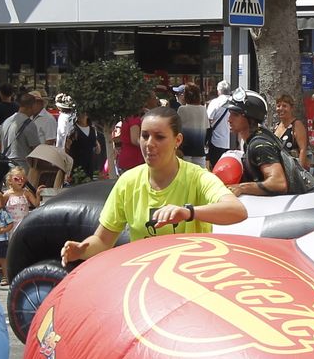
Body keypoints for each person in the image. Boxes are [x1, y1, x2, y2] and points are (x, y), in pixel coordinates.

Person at [62, 106, 246, 264]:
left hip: (193, 282)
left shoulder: (197, 177)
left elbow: (237, 211)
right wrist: (80, 250)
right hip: (146, 285)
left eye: (159, 137)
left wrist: (188, 212)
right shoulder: (128, 181)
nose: (149, 144)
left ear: (178, 140)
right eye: (144, 136)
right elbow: (102, 241)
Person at [227, 89, 293, 196]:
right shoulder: (252, 140)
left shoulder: (259, 145)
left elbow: (278, 183)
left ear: (250, 118)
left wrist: (242, 187)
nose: (229, 120)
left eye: (235, 114)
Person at [0, 92, 44, 170]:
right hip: (21, 168)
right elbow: (36, 150)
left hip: (5, 166)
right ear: (32, 106)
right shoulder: (29, 124)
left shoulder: (7, 121)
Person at [273, 94, 312, 168]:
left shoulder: (296, 124)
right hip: (279, 169)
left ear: (291, 108)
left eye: (284, 106)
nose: (281, 108)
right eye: (278, 106)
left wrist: (299, 172)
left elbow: (303, 149)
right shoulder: (276, 126)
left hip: (292, 169)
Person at [68, 106, 106, 181]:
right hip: (77, 165)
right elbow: (68, 148)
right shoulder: (73, 130)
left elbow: (97, 149)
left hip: (89, 164)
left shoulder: (92, 129)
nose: (82, 115)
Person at [175, 85, 209, 164]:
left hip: (185, 151)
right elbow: (207, 128)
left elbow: (177, 128)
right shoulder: (203, 109)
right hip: (200, 151)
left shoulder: (182, 109)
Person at [205, 79, 234, 168]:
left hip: (217, 141)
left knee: (217, 167)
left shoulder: (215, 102)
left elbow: (208, 120)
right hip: (232, 142)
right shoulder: (235, 102)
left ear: (218, 91)